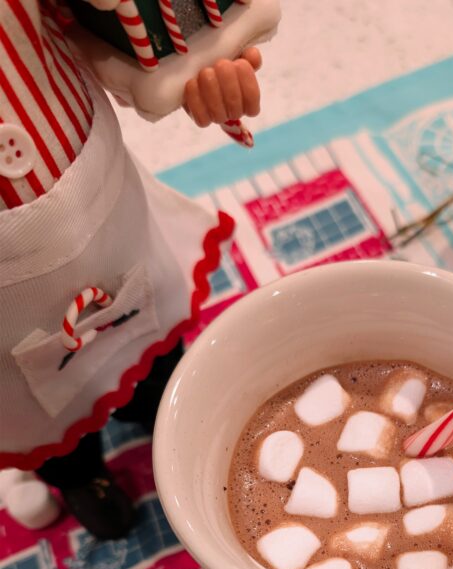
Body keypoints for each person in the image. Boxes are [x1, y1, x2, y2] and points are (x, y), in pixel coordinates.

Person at [0, 0, 269, 539]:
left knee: (147, 331)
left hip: (100, 197)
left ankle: (166, 411)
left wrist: (192, 66)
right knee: (36, 406)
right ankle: (80, 476)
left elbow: (104, 17)